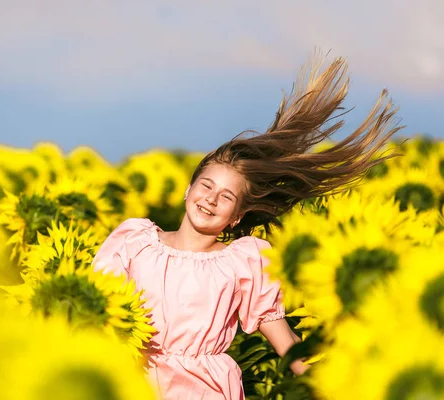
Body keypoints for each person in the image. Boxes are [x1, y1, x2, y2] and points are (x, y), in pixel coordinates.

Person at [93, 54, 401, 399]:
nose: (211, 199)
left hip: (206, 390)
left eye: (226, 197)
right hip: (135, 382)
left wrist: (335, 384)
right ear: (187, 190)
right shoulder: (135, 242)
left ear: (236, 217)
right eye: (206, 186)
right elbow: (96, 315)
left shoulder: (242, 261)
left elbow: (283, 340)